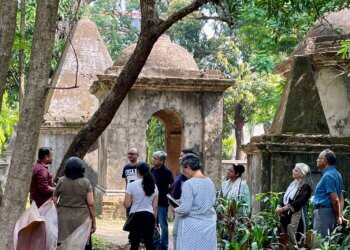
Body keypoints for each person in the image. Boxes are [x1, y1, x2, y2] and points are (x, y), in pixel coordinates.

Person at [174, 153, 217, 250]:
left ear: (188, 168)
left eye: (183, 169)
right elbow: (208, 200)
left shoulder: (189, 184)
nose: (183, 172)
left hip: (192, 226)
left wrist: (175, 209)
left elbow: (185, 209)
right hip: (209, 224)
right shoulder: (210, 181)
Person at [53, 157, 96, 247]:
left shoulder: (61, 180)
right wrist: (93, 222)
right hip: (81, 218)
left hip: (63, 217)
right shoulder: (86, 182)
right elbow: (91, 203)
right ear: (81, 168)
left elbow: (54, 199)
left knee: (63, 243)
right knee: (81, 243)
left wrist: (57, 209)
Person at [123, 162, 159, 250]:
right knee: (149, 242)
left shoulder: (131, 185)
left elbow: (127, 205)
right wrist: (154, 220)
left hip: (136, 216)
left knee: (134, 243)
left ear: (138, 171)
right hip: (149, 216)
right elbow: (155, 206)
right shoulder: (154, 186)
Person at [275, 163, 312, 245]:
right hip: (286, 215)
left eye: (296, 170)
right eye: (294, 169)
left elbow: (299, 201)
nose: (293, 171)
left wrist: (283, 209)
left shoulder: (306, 186)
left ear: (302, 174)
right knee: (284, 238)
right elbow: (285, 197)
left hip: (297, 216)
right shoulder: (293, 184)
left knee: (295, 239)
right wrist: (279, 206)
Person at [313, 149, 344, 237]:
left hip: (323, 213)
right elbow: (341, 197)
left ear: (325, 161)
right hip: (330, 212)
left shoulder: (328, 176)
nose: (317, 160)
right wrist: (340, 214)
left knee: (320, 243)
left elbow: (335, 200)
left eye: (319, 158)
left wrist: (338, 217)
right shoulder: (337, 174)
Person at [171, 148, 196, 250]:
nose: (179, 158)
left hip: (183, 208)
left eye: (182, 156)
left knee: (178, 234)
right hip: (178, 207)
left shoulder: (189, 174)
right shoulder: (183, 172)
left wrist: (179, 206)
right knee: (177, 234)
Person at [151, 151, 174, 250]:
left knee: (163, 224)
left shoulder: (167, 172)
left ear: (161, 161)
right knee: (153, 224)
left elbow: (172, 185)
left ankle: (164, 245)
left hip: (162, 202)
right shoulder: (152, 170)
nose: (153, 160)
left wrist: (166, 193)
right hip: (152, 202)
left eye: (155, 158)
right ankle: (155, 242)